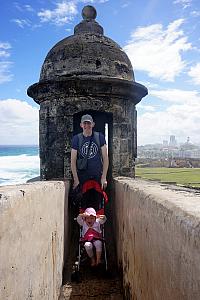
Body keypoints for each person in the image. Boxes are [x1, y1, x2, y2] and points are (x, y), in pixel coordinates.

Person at [71, 114, 109, 209]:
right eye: (85, 123)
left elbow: (105, 158)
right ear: (81, 125)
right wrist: (76, 179)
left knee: (98, 204)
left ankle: (97, 224)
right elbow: (73, 161)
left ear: (93, 124)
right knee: (83, 205)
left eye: (89, 123)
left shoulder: (99, 137)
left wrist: (104, 177)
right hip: (83, 178)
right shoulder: (77, 139)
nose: (87, 125)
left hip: (97, 177)